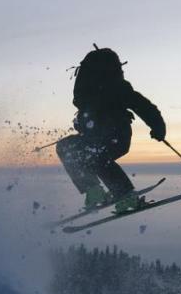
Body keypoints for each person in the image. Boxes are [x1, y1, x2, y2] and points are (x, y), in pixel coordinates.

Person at [56, 46, 166, 213]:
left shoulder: (116, 88)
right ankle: (94, 191)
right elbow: (143, 106)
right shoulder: (88, 96)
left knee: (98, 157)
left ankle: (126, 196)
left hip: (116, 137)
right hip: (95, 139)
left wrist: (157, 126)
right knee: (66, 147)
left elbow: (142, 105)